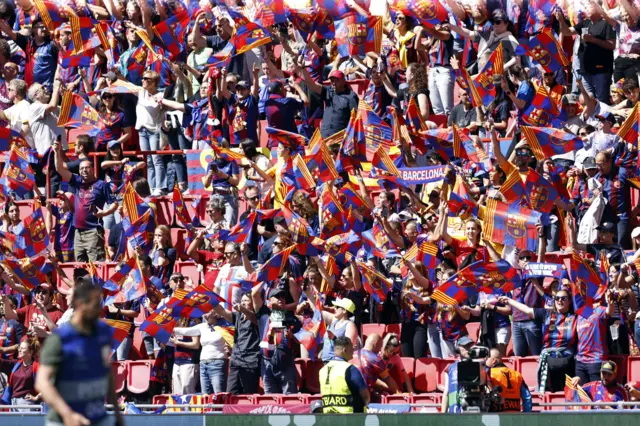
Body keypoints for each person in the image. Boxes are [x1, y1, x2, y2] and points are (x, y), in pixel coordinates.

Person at [36, 280, 124, 426]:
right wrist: (68, 415)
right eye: (94, 306)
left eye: (99, 305)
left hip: (97, 419)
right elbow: (42, 382)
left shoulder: (103, 333)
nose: (98, 310)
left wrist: (117, 414)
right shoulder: (60, 339)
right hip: (63, 421)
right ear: (79, 304)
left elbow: (106, 371)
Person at [53, 140, 117, 262]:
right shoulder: (76, 181)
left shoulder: (101, 185)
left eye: (87, 168)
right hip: (78, 232)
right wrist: (57, 152)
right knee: (80, 270)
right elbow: (59, 168)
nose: (84, 171)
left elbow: (114, 203)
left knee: (96, 265)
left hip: (93, 231)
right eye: (81, 168)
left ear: (92, 169)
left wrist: (104, 213)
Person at [173, 310, 230, 394]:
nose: (205, 315)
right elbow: (186, 331)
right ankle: (208, 408)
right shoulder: (203, 326)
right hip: (203, 364)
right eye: (204, 313)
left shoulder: (225, 326)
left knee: (218, 393)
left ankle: (219, 408)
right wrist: (169, 329)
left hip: (218, 363)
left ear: (215, 313)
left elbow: (232, 340)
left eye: (208, 312)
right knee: (205, 395)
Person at [319, 336, 370, 413]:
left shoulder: (322, 370)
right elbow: (365, 396)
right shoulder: (350, 369)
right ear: (345, 350)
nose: (353, 350)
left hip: (329, 417)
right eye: (351, 348)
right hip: (349, 418)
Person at [486, 348, 532, 412]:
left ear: (493, 360)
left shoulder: (488, 374)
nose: (485, 360)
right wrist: (526, 415)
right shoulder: (517, 374)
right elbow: (527, 397)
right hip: (514, 418)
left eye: (487, 358)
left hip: (497, 418)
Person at [0, 339, 40, 411]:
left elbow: (49, 383)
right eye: (19, 348)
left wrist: (36, 397)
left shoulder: (37, 367)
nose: (19, 350)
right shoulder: (16, 364)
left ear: (30, 352)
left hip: (27, 404)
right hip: (13, 403)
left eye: (22, 348)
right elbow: (1, 362)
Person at [441, 335, 475, 413]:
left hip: (473, 412)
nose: (468, 348)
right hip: (455, 412)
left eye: (469, 346)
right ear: (457, 348)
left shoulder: (479, 366)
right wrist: (443, 415)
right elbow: (446, 392)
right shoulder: (450, 368)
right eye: (465, 346)